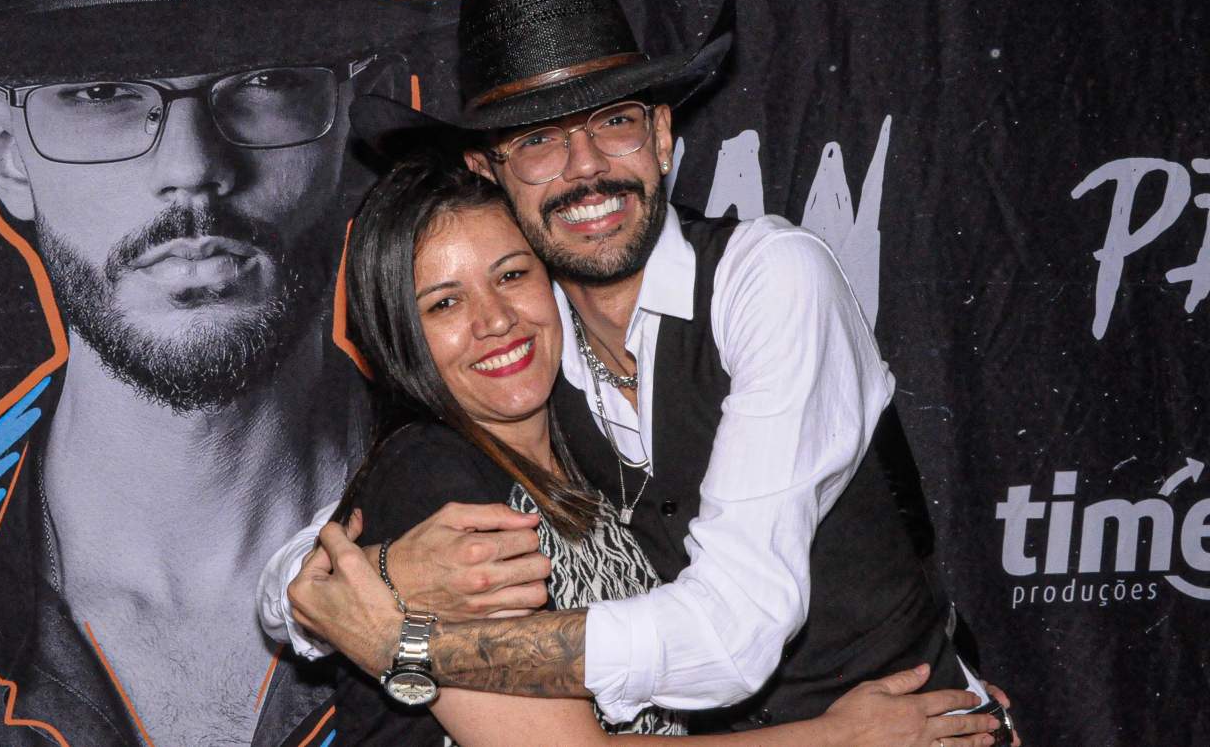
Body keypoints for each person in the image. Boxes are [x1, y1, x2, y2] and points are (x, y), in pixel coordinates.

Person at [263, 0, 1017, 743]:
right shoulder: (530, 346)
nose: (586, 168)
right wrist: (379, 574)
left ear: (660, 136)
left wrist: (414, 646)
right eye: (539, 141)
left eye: (614, 123)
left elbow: (732, 633)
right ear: (490, 174)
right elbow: (297, 579)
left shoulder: (768, 280)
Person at [0, 0, 439, 745]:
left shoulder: (527, 528)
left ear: (355, 122)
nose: (193, 167)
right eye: (103, 92)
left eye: (264, 82)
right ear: (2, 151)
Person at [303, 150, 1001, 747]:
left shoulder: (584, 431)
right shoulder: (435, 481)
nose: (495, 320)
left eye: (512, 275)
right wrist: (839, 738)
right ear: (399, 335)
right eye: (444, 304)